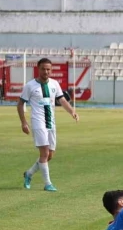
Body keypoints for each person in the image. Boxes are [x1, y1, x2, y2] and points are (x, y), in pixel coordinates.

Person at [17, 58, 79, 192]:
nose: (46, 71)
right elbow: (20, 104)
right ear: (38, 69)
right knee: (44, 153)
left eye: (48, 69)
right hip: (38, 122)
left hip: (51, 122)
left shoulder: (54, 84)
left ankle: (29, 174)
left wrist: (72, 111)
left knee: (49, 155)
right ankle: (47, 184)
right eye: (43, 69)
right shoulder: (30, 86)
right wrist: (23, 122)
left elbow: (61, 99)